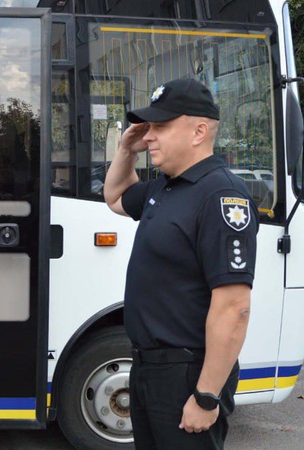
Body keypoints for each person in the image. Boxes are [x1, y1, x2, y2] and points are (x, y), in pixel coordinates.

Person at [103, 78, 258, 449]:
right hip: (148, 369)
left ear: (199, 131)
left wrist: (206, 396)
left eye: (161, 126)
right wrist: (127, 149)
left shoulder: (221, 195)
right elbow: (114, 196)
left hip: (187, 374)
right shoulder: (165, 186)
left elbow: (234, 307)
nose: (149, 136)